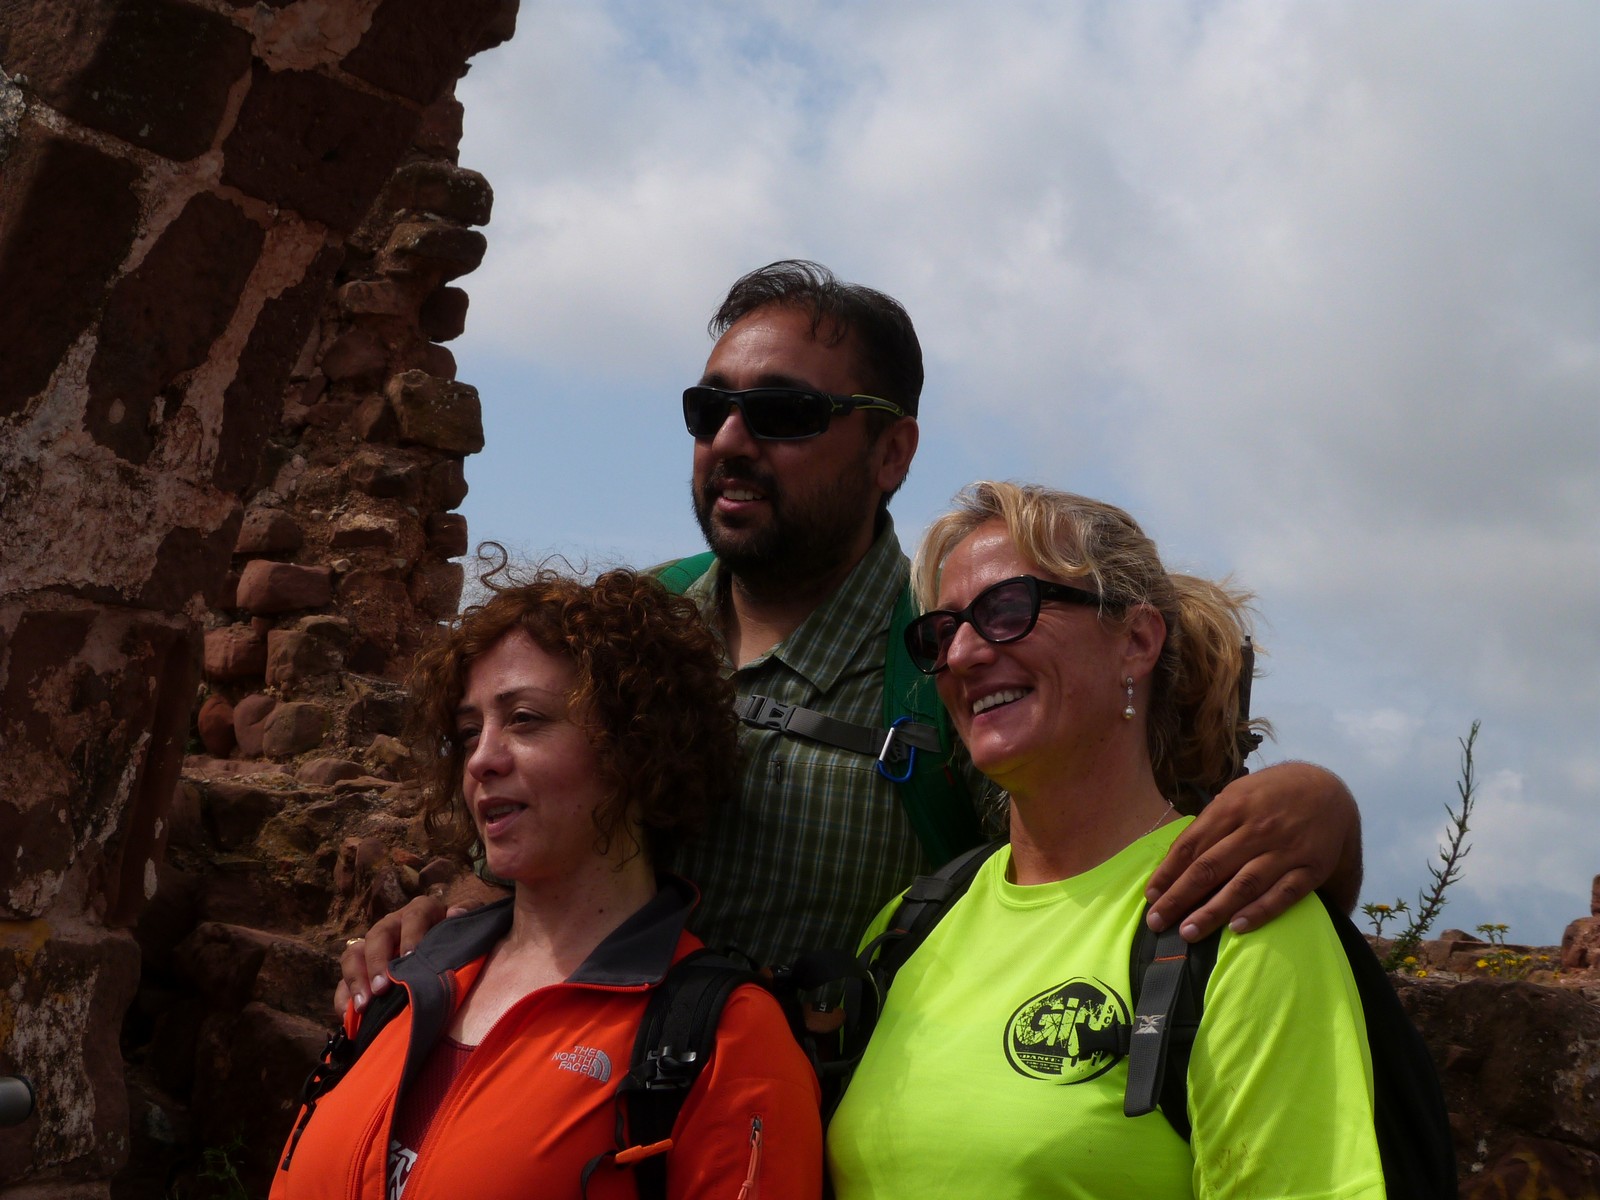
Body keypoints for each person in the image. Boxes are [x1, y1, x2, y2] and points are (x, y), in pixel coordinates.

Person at [338, 261, 1364, 1008]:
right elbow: (530, 851)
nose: (730, 440)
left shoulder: (958, 665)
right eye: (709, 408)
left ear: (890, 453)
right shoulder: (623, 632)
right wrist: (454, 916)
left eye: (783, 413)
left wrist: (1324, 816)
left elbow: (1145, 872)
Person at [828, 482, 1383, 1198]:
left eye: (1006, 610)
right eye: (941, 632)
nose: (960, 654)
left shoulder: (1235, 918)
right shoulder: (909, 927)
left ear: (1137, 641)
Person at [274, 566, 823, 1200]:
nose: (482, 758)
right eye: (468, 732)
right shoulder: (406, 974)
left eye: (525, 719)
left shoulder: (728, 1041)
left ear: (636, 746)